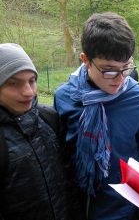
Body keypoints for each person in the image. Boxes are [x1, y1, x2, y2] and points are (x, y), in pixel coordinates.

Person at [54, 12, 139, 220]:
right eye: (109, 71)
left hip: (124, 212)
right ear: (85, 60)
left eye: (126, 68)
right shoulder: (64, 97)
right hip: (76, 209)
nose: (120, 78)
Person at [0, 43, 84, 220]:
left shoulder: (49, 118)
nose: (28, 92)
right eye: (14, 83)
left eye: (32, 81)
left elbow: (69, 182)